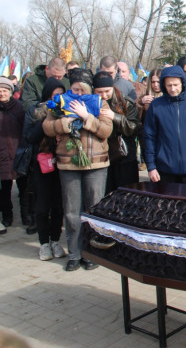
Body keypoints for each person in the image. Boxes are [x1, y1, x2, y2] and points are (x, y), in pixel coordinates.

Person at [42, 68, 113, 271]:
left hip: (95, 164)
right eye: (75, 89)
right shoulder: (61, 102)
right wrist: (66, 122)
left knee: (93, 209)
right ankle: (74, 253)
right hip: (68, 163)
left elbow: (106, 130)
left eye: (83, 90)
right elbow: (47, 127)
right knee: (72, 211)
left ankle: (92, 253)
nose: (79, 94)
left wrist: (86, 117)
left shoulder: (100, 103)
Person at [23, 77, 66, 260]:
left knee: (58, 206)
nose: (57, 99)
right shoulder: (35, 111)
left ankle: (55, 240)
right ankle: (44, 243)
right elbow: (28, 136)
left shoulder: (67, 109)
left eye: (60, 95)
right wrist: (47, 122)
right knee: (42, 207)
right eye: (54, 95)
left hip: (62, 163)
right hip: (41, 165)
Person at [143, 65, 186, 184]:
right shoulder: (156, 106)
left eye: (176, 85)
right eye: (169, 85)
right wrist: (151, 166)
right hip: (165, 170)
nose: (173, 89)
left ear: (182, 83)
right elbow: (149, 137)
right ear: (164, 85)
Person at [93, 71, 140, 193]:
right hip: (101, 156)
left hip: (124, 156)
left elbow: (134, 128)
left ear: (113, 88)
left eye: (107, 91)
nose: (104, 95)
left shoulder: (126, 103)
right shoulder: (91, 103)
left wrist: (115, 117)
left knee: (127, 194)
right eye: (99, 92)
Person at [0, 77, 25, 233]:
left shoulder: (19, 108)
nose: (2, 93)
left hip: (18, 153)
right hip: (2, 154)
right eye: (0, 91)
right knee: (4, 189)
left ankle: (26, 216)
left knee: (23, 187)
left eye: (4, 90)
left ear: (10, 92)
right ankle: (7, 216)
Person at [137, 68, 162, 171]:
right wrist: (140, 103)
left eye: (158, 82)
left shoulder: (169, 97)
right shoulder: (145, 97)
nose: (155, 85)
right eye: (153, 82)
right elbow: (137, 118)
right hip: (148, 141)